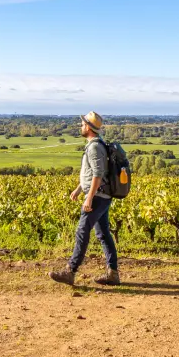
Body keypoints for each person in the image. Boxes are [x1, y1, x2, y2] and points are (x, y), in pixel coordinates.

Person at [49, 111, 120, 286]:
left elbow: (98, 173)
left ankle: (70, 271)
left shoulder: (95, 147)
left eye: (82, 124)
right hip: (101, 195)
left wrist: (88, 198)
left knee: (82, 231)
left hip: (97, 197)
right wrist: (79, 189)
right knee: (103, 234)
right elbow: (91, 174)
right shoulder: (96, 144)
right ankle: (113, 274)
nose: (81, 126)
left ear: (88, 127)